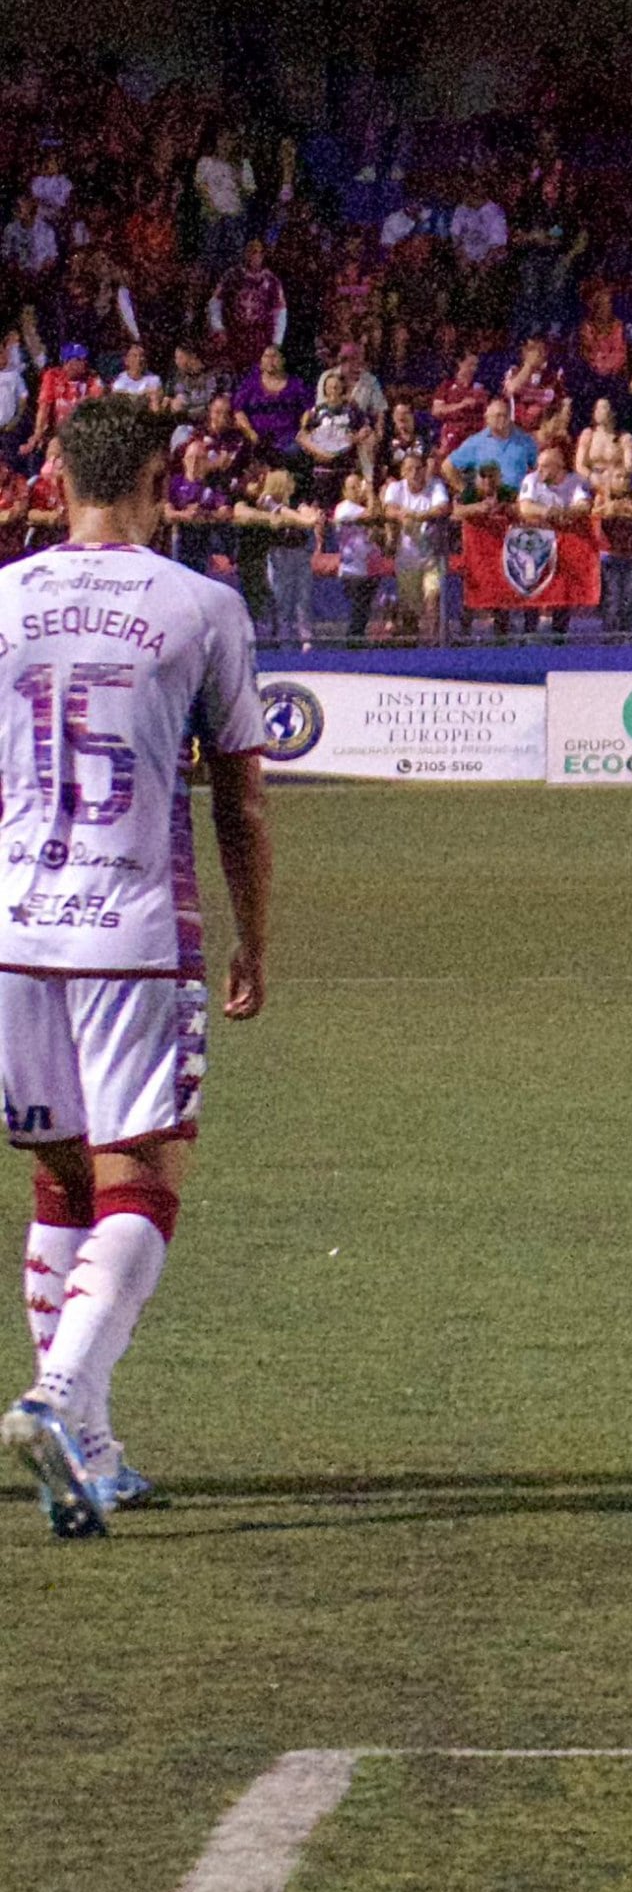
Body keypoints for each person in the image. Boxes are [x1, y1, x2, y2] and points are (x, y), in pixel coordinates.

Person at [3, 398, 276, 1534]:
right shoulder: (201, 605)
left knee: (63, 1178)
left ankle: (94, 1444)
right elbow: (242, 799)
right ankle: (59, 1395)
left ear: (53, 473)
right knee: (143, 1180)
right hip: (134, 932)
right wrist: (256, 937)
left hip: (12, 923)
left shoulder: (5, 598)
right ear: (163, 478)